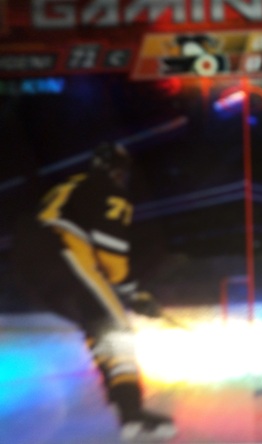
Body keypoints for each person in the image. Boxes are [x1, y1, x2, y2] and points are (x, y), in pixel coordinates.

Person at [11, 142, 177, 441]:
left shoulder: (73, 185)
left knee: (100, 327)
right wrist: (133, 292)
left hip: (30, 260)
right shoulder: (108, 189)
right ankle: (132, 413)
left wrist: (130, 293)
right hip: (59, 248)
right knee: (116, 327)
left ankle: (127, 409)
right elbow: (111, 252)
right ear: (117, 170)